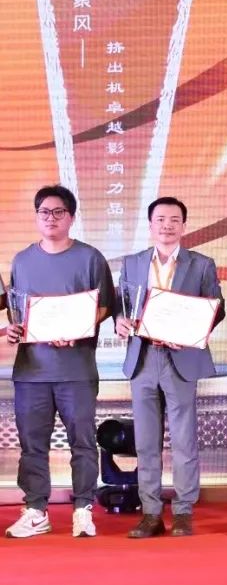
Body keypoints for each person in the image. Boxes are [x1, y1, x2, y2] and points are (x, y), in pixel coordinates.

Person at [4, 185, 113, 539]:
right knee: (32, 445)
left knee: (83, 441)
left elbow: (104, 306)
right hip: (31, 371)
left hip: (76, 370)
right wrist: (13, 329)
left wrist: (77, 329)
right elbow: (17, 311)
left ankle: (83, 509)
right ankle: (36, 510)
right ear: (36, 216)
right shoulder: (22, 260)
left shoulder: (90, 258)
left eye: (58, 212)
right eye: (44, 212)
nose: (50, 218)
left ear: (71, 217)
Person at [114, 196, 225, 538]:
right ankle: (150, 513)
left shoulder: (201, 264)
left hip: (180, 357)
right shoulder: (133, 263)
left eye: (174, 219)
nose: (167, 225)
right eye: (160, 219)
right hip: (143, 357)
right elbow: (121, 305)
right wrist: (119, 320)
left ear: (184, 226)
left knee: (183, 439)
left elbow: (216, 308)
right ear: (150, 225)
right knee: (146, 441)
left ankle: (183, 511)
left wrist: (191, 332)